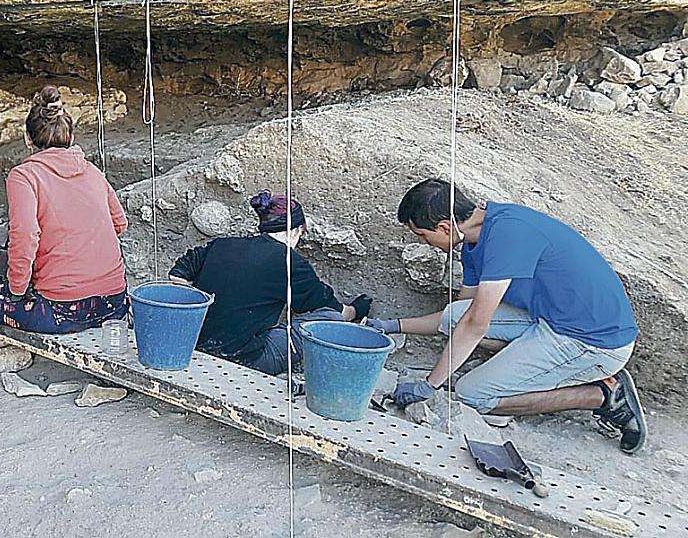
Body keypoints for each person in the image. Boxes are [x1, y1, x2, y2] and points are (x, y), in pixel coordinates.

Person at [367, 179, 645, 453]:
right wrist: (391, 327)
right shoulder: (476, 239)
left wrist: (429, 385)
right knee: (456, 317)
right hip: (554, 318)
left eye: (422, 235)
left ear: (444, 227)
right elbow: (460, 315)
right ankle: (521, 370)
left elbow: (476, 324)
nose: (423, 242)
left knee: (472, 394)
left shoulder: (507, 236)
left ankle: (605, 394)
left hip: (594, 342)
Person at [0, 86, 129, 334]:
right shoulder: (92, 171)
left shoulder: (24, 176)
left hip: (62, 311)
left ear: (28, 139)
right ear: (70, 137)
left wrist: (16, 291)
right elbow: (120, 224)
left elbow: (25, 236)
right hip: (114, 304)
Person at [168, 190, 372, 376]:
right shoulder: (290, 263)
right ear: (296, 230)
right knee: (330, 319)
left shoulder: (222, 244)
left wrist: (194, 314)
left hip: (195, 345)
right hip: (246, 359)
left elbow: (177, 274)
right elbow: (331, 309)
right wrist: (356, 310)